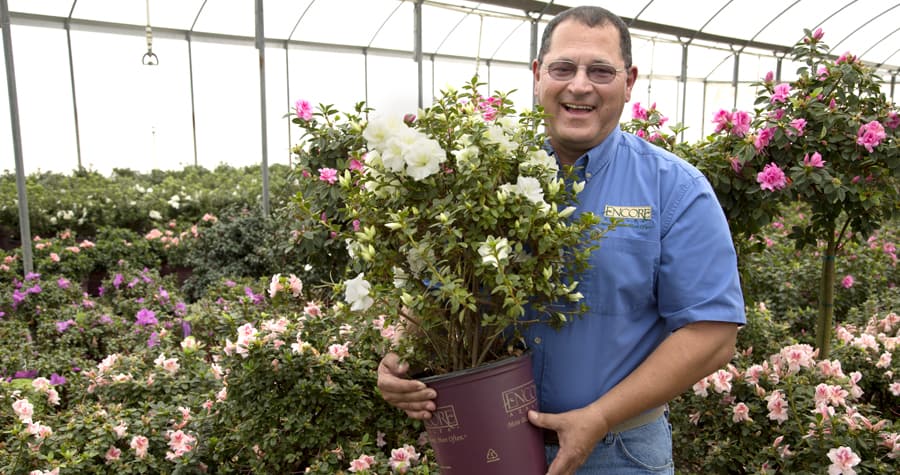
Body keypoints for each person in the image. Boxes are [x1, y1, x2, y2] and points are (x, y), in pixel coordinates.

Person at [377, 5, 746, 474]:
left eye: (601, 71)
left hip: (619, 452)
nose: (579, 86)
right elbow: (442, 293)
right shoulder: (486, 182)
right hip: (488, 440)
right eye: (563, 68)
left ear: (629, 81)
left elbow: (712, 334)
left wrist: (599, 416)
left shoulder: (673, 189)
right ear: (537, 76)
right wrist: (401, 357)